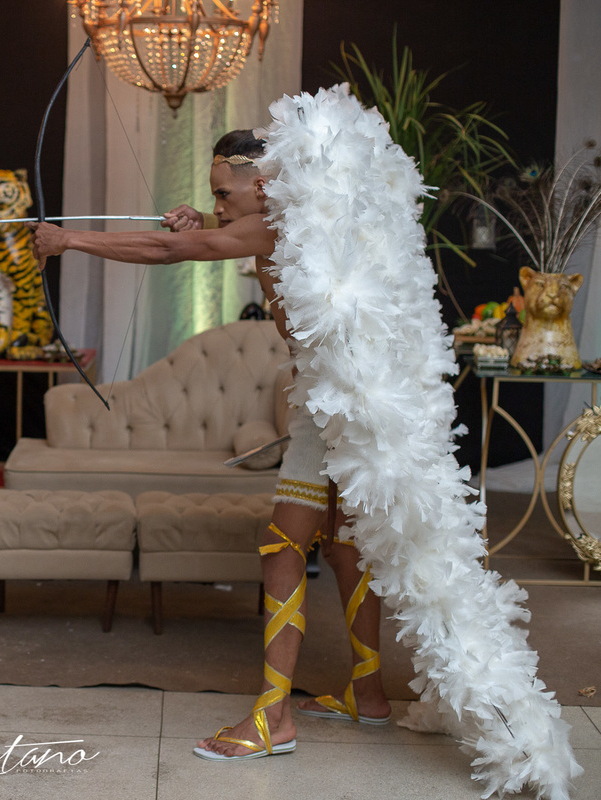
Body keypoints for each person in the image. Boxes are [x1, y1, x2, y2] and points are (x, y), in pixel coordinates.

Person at [29, 130, 389, 760]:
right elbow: (208, 233)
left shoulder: (275, 225)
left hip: (333, 400)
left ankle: (273, 717)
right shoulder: (297, 219)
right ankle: (369, 692)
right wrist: (205, 217)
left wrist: (69, 240)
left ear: (265, 186)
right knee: (343, 544)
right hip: (352, 391)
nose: (218, 206)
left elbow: (171, 249)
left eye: (224, 194)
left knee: (283, 547)